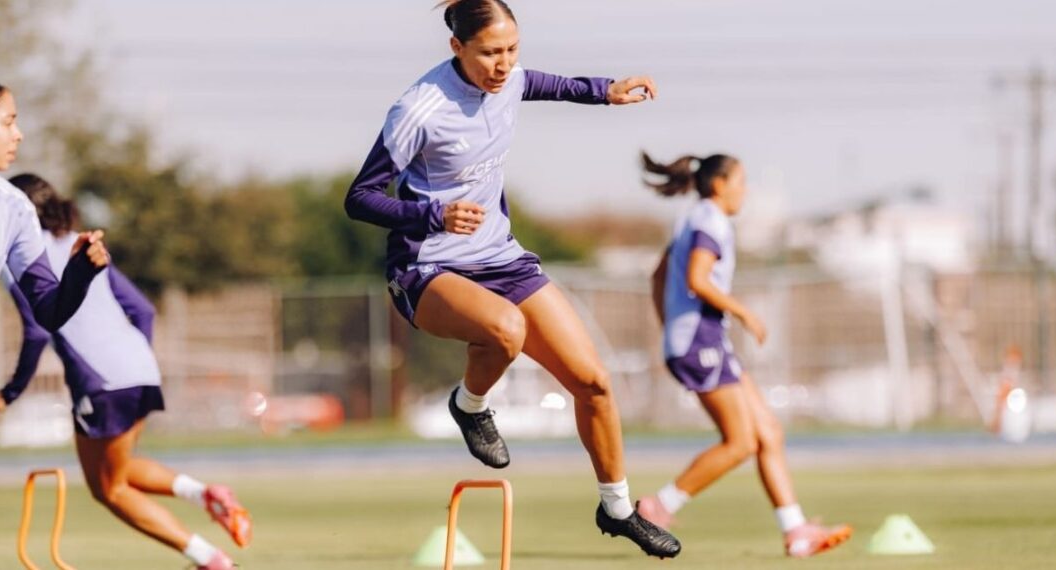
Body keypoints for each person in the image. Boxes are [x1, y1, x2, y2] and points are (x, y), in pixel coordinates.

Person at [344, 0, 679, 558]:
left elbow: (550, 84)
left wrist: (606, 91)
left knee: (593, 381)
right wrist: (434, 214)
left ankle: (617, 508)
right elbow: (360, 197)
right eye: (489, 54)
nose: (503, 65)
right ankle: (470, 406)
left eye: (512, 51)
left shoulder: (511, 78)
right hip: (427, 267)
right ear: (457, 48)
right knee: (506, 329)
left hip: (499, 257)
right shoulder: (419, 109)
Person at [0, 174, 252, 570]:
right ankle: (206, 494)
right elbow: (143, 310)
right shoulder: (83, 246)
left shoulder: (19, 256)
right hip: (139, 367)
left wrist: (10, 392)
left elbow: (38, 328)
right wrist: (133, 359)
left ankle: (211, 560)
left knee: (109, 489)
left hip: (102, 380)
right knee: (117, 471)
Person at [635, 151, 852, 558]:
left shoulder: (692, 217)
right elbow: (697, 279)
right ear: (719, 185)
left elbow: (659, 274)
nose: (745, 191)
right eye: (742, 181)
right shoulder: (711, 220)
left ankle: (797, 531)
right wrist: (744, 311)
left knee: (768, 432)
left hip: (700, 340)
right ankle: (659, 506)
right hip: (702, 342)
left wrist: (672, 329)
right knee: (739, 442)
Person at [0, 77, 107, 330]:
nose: (18, 135)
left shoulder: (14, 207)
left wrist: (79, 272)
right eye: (7, 123)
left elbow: (48, 311)